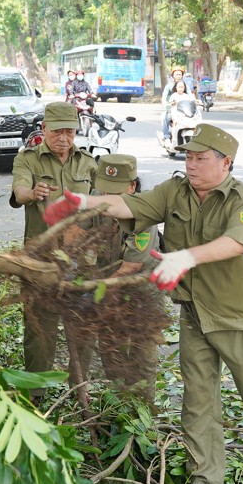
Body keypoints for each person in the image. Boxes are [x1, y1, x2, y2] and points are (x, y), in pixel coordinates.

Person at [40, 124, 243, 484]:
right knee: (198, 397)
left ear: (225, 163)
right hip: (194, 310)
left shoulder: (241, 197)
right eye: (188, 157)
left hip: (237, 310)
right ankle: (205, 477)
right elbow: (131, 206)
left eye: (200, 158)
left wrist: (187, 256)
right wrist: (82, 202)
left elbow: (240, 241)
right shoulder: (174, 191)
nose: (191, 164)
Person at [9, 101, 97, 381]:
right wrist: (32, 193)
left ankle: (78, 390)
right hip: (42, 260)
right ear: (44, 129)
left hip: (82, 259)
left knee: (83, 327)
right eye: (57, 131)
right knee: (39, 328)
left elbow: (106, 201)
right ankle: (34, 391)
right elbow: (19, 190)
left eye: (70, 132)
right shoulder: (28, 159)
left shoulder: (88, 162)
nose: (64, 138)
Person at [80, 154, 160, 409]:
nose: (108, 197)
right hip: (107, 288)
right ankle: (119, 405)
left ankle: (142, 410)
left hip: (141, 293)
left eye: (115, 192)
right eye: (104, 190)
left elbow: (130, 267)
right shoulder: (97, 203)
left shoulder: (143, 215)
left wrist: (92, 293)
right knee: (109, 345)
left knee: (141, 352)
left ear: (132, 187)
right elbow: (77, 233)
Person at [161, 67, 186, 141]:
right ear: (173, 76)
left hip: (184, 110)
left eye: (180, 74)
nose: (178, 76)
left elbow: (190, 95)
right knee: (166, 118)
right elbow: (164, 97)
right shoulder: (168, 86)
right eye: (176, 74)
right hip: (172, 109)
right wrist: (165, 103)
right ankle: (166, 137)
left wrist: (195, 101)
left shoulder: (185, 86)